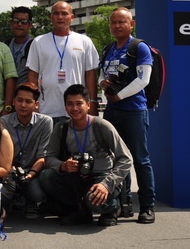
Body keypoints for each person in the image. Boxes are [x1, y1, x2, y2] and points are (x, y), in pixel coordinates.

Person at [40, 84, 132, 227]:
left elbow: (126, 159)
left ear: (88, 105)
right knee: (46, 176)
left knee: (93, 200)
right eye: (70, 104)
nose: (74, 108)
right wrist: (63, 166)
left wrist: (106, 184)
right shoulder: (61, 128)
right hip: (77, 177)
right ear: (65, 106)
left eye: (79, 103)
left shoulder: (102, 126)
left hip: (102, 177)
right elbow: (49, 158)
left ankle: (112, 208)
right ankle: (79, 210)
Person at [99, 7, 156, 224]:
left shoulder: (139, 47)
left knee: (140, 159)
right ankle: (122, 204)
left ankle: (147, 206)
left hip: (134, 110)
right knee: (115, 159)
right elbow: (103, 74)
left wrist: (119, 95)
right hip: (113, 110)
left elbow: (143, 79)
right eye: (113, 22)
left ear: (131, 24)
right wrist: (103, 83)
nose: (117, 26)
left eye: (122, 22)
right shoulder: (108, 48)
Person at [27, 2, 99, 122]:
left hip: (76, 109)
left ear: (72, 17)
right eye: (56, 13)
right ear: (50, 17)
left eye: (64, 13)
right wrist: (33, 103)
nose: (60, 17)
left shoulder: (84, 41)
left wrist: (92, 102)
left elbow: (90, 74)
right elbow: (33, 75)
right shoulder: (39, 42)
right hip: (47, 109)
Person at [0, 82, 52, 219]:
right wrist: (10, 169)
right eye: (19, 100)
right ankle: (12, 200)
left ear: (36, 104)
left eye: (28, 101)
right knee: (3, 193)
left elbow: (43, 156)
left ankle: (30, 201)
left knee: (37, 193)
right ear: (13, 101)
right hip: (10, 170)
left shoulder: (45, 122)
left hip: (32, 171)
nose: (23, 105)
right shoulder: (3, 122)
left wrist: (31, 174)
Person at [6, 6, 35, 86]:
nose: (19, 24)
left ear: (30, 25)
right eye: (16, 21)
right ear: (11, 23)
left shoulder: (34, 46)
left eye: (24, 22)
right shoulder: (6, 45)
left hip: (25, 91)